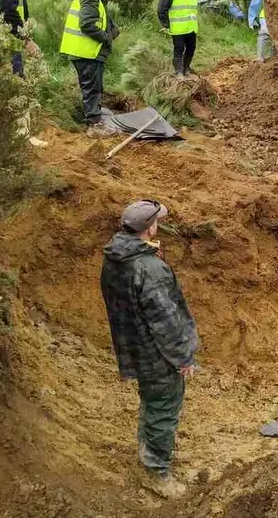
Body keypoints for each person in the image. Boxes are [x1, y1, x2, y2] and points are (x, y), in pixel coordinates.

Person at [100, 200, 198, 499]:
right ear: (149, 227)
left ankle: (147, 455)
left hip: (133, 345)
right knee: (163, 410)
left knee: (151, 402)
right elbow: (165, 320)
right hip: (156, 353)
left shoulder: (115, 257)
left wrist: (147, 255)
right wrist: (182, 357)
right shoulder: (149, 268)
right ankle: (157, 472)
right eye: (157, 221)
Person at [59, 0, 120, 135]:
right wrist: (106, 37)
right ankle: (94, 125)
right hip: (86, 51)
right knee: (92, 88)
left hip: (86, 50)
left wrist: (111, 30)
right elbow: (87, 24)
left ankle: (95, 114)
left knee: (93, 86)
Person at [157, 0, 199, 77]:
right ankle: (178, 72)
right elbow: (161, 9)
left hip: (191, 27)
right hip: (177, 28)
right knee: (179, 50)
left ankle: (186, 69)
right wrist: (166, 25)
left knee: (191, 49)